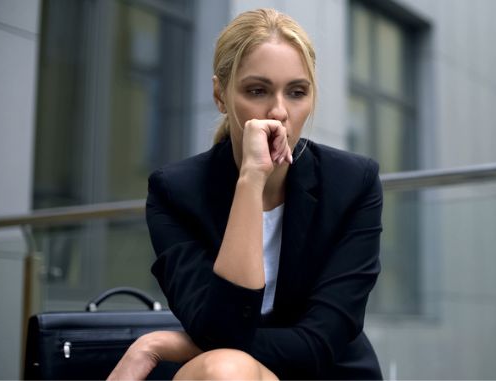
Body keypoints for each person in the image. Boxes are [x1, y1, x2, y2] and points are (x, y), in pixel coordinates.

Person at [108, 8, 383, 380]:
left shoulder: (353, 182)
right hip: (227, 372)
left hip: (328, 373)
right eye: (257, 90)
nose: (279, 111)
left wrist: (160, 344)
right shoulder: (175, 193)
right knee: (225, 368)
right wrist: (251, 181)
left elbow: (319, 343)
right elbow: (220, 332)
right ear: (220, 95)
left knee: (226, 363)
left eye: (297, 92)